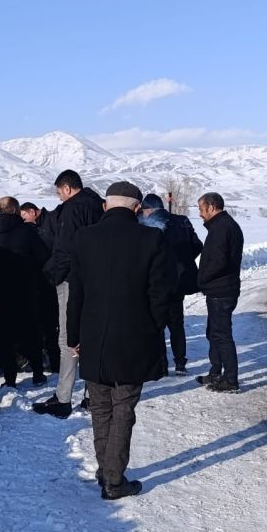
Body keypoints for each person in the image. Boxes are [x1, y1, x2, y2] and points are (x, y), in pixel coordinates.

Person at [67, 181, 175, 499]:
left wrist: (74, 335)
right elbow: (161, 293)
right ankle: (114, 480)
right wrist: (153, 327)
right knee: (124, 406)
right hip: (135, 337)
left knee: (100, 407)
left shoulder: (83, 238)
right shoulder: (152, 238)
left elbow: (77, 294)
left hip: (94, 337)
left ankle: (106, 469)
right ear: (138, 208)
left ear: (105, 206)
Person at [33, 170, 103, 418]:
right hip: (94, 277)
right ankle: (92, 395)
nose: (59, 197)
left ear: (67, 188)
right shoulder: (97, 206)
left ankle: (63, 398)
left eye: (59, 191)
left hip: (71, 278)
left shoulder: (72, 210)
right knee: (90, 335)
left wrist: (53, 273)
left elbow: (65, 247)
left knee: (68, 339)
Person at [0, 196, 49, 387]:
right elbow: (42, 257)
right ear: (17, 210)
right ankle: (37, 373)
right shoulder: (27, 232)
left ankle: (10, 378)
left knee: (4, 336)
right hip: (25, 290)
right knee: (31, 332)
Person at [138, 192, 202, 374]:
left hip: (154, 283)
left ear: (147, 210)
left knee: (156, 323)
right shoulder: (181, 221)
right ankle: (180, 363)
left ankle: (162, 365)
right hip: (177, 282)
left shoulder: (144, 225)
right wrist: (182, 262)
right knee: (176, 324)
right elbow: (197, 246)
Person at [195, 191, 244, 392]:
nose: (200, 214)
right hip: (220, 289)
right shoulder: (222, 226)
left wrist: (200, 279)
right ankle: (216, 372)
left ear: (212, 207)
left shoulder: (222, 228)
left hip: (221, 291)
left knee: (222, 335)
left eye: (201, 209)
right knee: (213, 333)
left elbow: (218, 262)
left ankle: (230, 380)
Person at [20, 202, 61, 372]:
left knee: (49, 325)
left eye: (24, 216)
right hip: (44, 282)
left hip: (47, 280)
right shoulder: (41, 226)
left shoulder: (47, 224)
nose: (24, 221)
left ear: (33, 212)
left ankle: (54, 362)